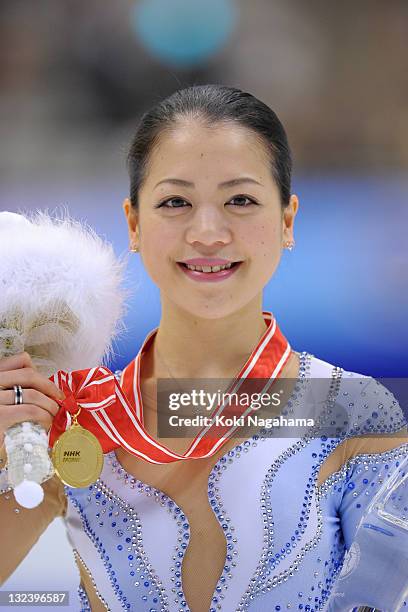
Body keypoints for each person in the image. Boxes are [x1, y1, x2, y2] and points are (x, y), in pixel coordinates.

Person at [0, 84, 407, 612]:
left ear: (287, 219)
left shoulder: (353, 413)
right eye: (175, 202)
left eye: (240, 200)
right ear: (134, 223)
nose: (207, 232)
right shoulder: (69, 418)